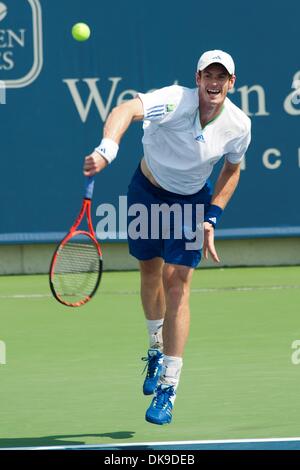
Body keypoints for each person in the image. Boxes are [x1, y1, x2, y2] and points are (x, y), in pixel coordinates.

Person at [83, 50, 251, 425]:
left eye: (221, 77)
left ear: (231, 84)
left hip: (191, 203)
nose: (214, 83)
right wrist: (107, 149)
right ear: (198, 77)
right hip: (148, 191)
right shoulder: (174, 100)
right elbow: (125, 110)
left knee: (177, 283)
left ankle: (168, 388)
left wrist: (213, 216)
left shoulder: (239, 125)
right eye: (209, 75)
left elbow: (232, 169)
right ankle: (155, 347)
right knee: (149, 271)